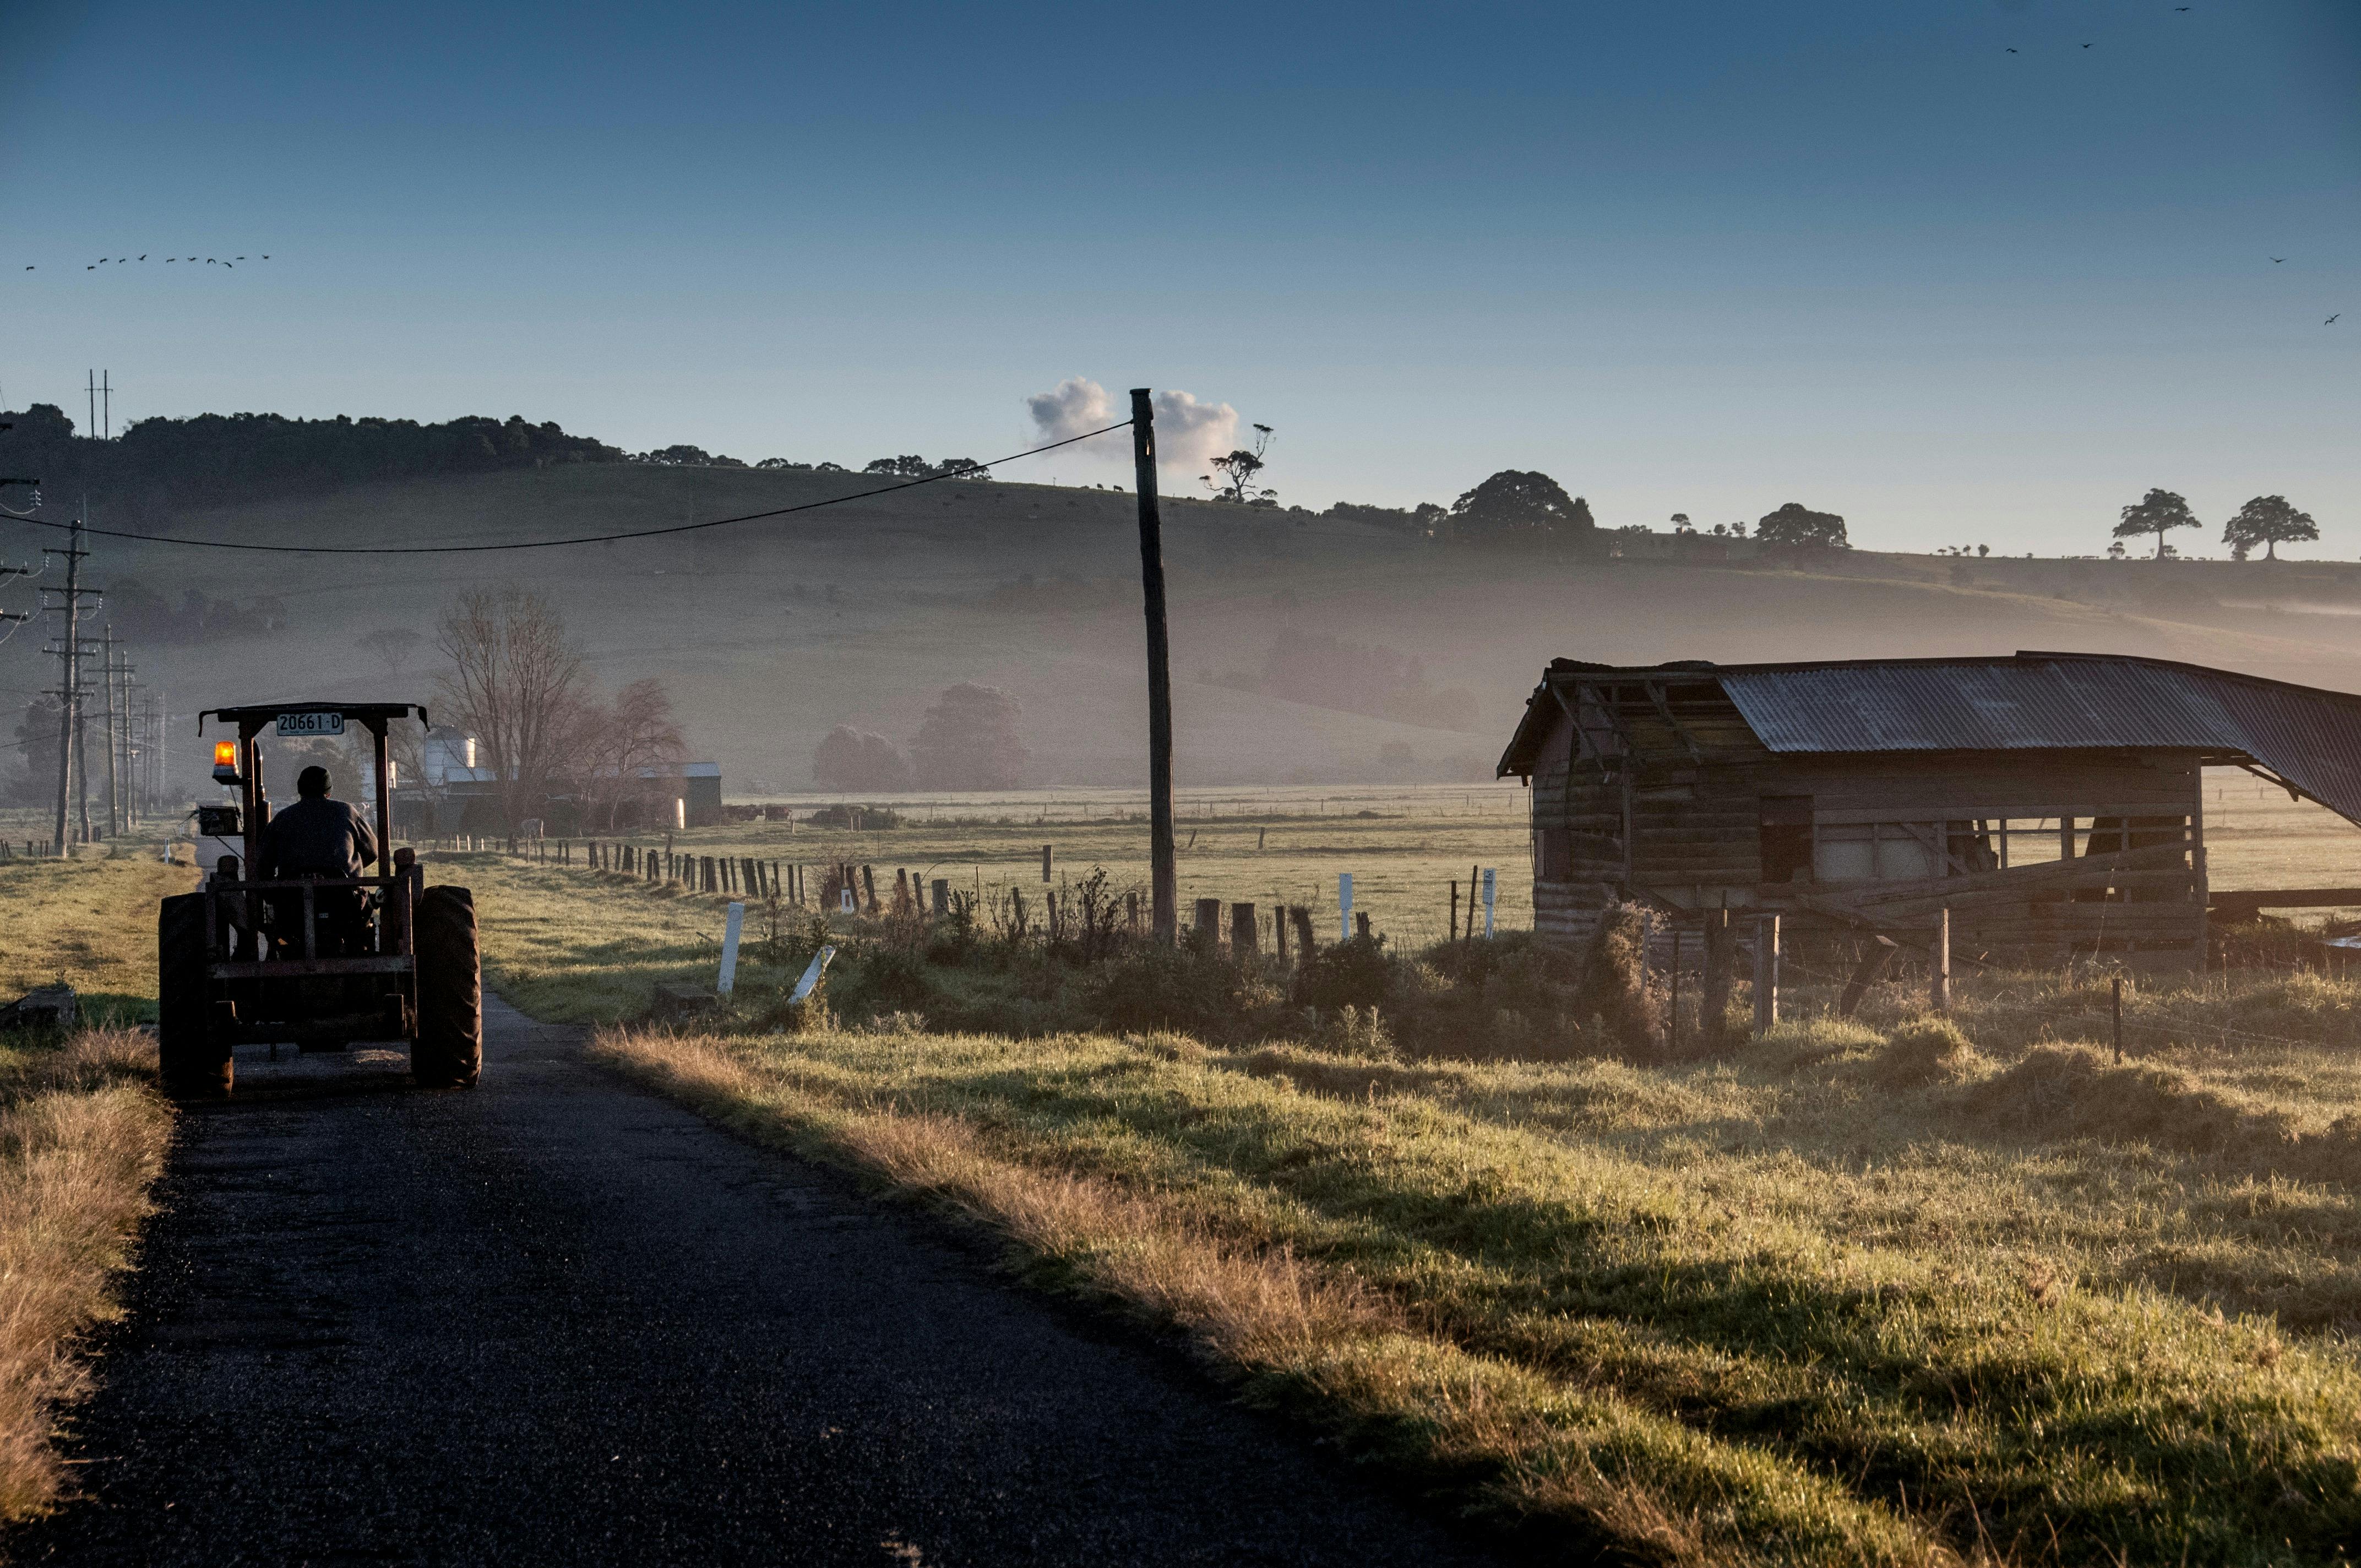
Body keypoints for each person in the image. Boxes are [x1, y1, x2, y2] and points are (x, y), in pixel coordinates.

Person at [261, 765, 377, 953]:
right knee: (363, 904)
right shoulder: (347, 812)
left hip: (293, 909)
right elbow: (372, 852)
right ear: (328, 792)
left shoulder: (282, 819)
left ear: (300, 790)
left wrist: (273, 895)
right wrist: (349, 868)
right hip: (344, 906)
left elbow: (263, 867)